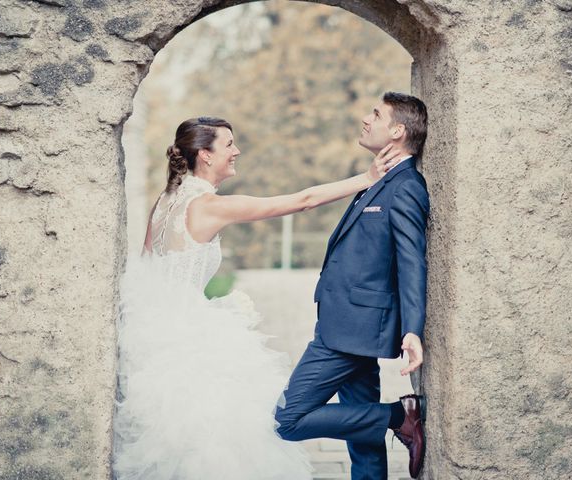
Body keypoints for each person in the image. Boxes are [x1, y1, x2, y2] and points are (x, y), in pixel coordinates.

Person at [112, 116, 401, 480]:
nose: (236, 151)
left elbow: (148, 264)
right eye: (228, 144)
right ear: (205, 155)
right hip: (189, 336)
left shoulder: (164, 200)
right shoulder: (207, 205)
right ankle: (396, 417)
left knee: (181, 434)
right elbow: (303, 201)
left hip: (155, 332)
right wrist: (366, 179)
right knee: (235, 431)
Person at [274, 92, 430, 480]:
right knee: (362, 438)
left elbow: (412, 262)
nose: (366, 118)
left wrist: (412, 329)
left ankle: (399, 416)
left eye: (375, 114)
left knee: (287, 419)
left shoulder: (407, 185)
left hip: (350, 332)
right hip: (348, 323)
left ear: (397, 131)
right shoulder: (381, 179)